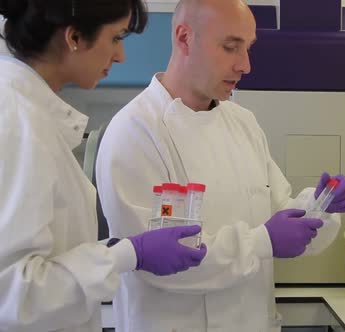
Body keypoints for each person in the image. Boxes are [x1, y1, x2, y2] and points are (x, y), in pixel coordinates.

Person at [95, 0, 345, 331]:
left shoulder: (242, 123)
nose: (245, 65)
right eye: (231, 47)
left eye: (248, 48)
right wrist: (262, 242)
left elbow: (281, 214)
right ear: (184, 37)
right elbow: (158, 264)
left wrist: (322, 206)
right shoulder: (134, 131)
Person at [0, 1, 208, 331]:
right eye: (115, 38)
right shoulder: (16, 122)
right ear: (75, 38)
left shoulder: (26, 114)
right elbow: (13, 292)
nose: (120, 55)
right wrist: (127, 254)